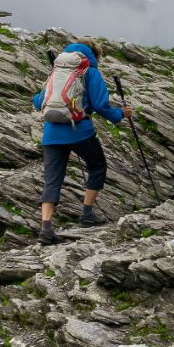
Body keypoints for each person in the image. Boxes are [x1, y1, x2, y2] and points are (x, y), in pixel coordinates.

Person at [31, 41, 125, 244]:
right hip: (79, 131)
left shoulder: (57, 70)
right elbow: (101, 105)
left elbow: (39, 101)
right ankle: (87, 214)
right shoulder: (90, 72)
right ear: (94, 55)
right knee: (97, 166)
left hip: (51, 134)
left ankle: (46, 228)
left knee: (52, 179)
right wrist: (120, 114)